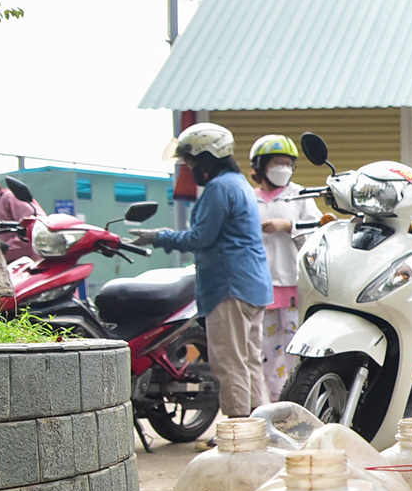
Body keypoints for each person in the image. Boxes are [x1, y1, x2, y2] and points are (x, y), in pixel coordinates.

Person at [126, 124, 274, 422]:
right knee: (249, 360)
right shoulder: (238, 183)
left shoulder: (219, 189)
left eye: (191, 161)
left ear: (207, 157)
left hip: (229, 285)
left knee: (229, 362)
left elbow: (200, 238)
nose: (189, 167)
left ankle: (239, 429)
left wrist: (159, 237)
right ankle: (261, 425)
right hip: (252, 284)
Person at [246, 135, 321, 402]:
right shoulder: (249, 198)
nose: (284, 168)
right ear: (262, 165)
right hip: (262, 285)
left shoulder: (299, 196)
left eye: (289, 164)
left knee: (296, 346)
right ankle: (275, 400)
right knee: (266, 350)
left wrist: (287, 226)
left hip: (293, 283)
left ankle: (298, 399)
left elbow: (316, 232)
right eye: (279, 162)